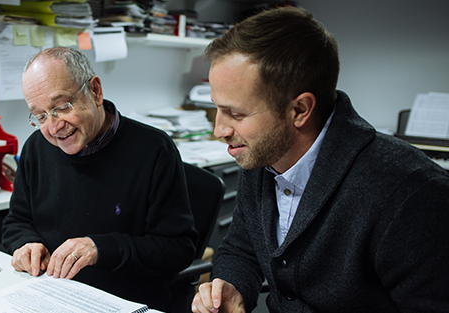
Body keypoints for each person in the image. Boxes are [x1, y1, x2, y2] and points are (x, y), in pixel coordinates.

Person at [191, 6, 449, 313]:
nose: (219, 130)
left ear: (300, 110)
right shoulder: (262, 153)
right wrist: (232, 287)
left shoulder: (412, 193)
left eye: (236, 113)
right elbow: (242, 247)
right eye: (217, 109)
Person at [1, 47, 198, 309]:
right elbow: (17, 221)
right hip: (52, 295)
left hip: (123, 301)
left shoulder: (154, 150)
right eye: (40, 116)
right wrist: (26, 243)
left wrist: (101, 249)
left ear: (95, 91)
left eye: (61, 107)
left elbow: (177, 249)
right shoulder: (37, 147)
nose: (53, 126)